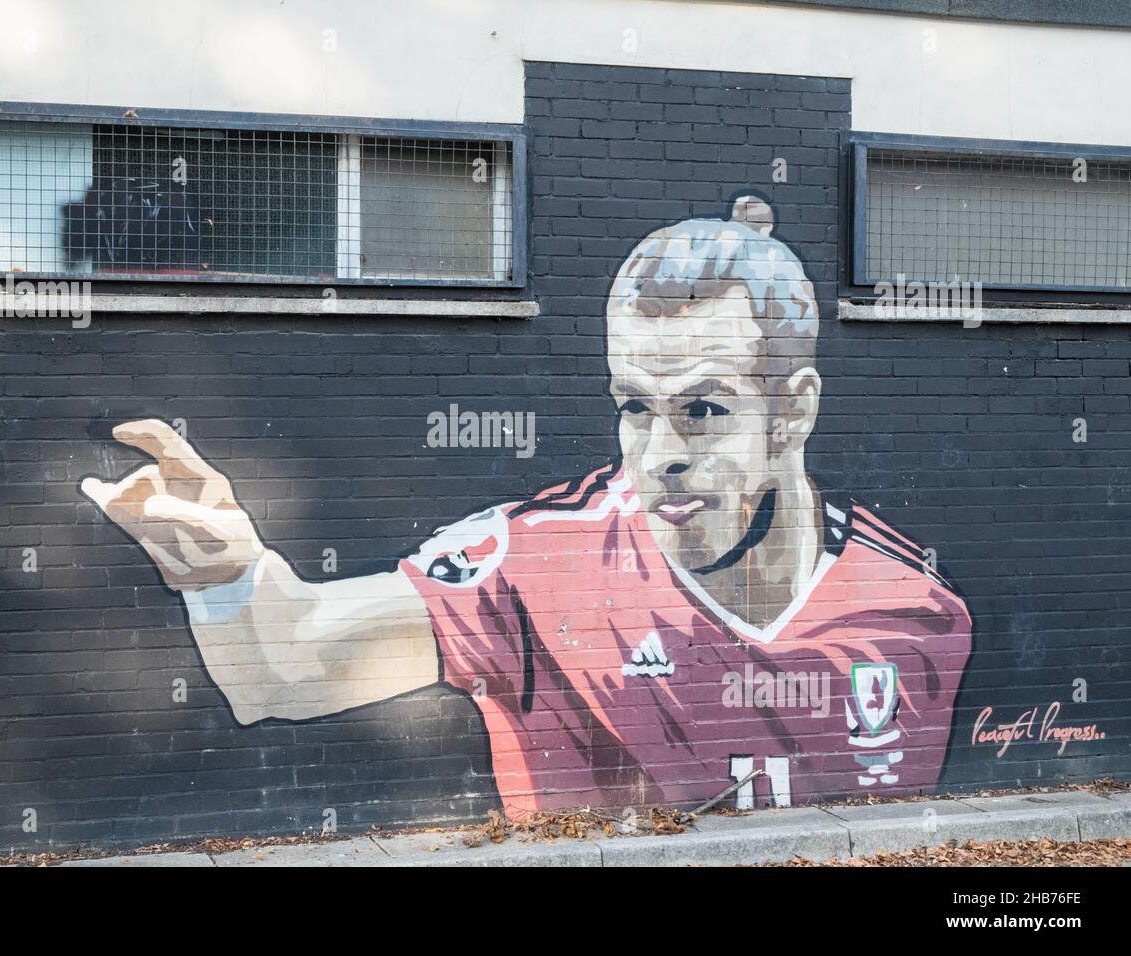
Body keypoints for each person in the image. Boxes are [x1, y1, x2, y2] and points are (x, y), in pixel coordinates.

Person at [81, 196, 972, 816]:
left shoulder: (919, 614)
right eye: (634, 408)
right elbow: (285, 667)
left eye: (703, 410)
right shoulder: (540, 566)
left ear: (795, 411)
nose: (658, 457)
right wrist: (225, 572)